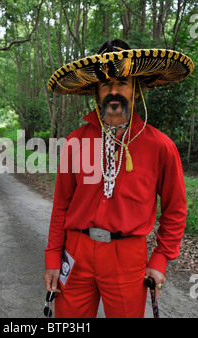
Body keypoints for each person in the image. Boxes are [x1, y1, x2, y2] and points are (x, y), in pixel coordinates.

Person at [43, 39, 194, 318]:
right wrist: (53, 257)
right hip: (76, 251)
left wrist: (160, 258)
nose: (113, 90)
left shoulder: (161, 146)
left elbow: (175, 210)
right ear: (96, 92)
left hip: (127, 256)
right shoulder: (76, 141)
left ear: (136, 90)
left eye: (122, 82)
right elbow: (61, 205)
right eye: (105, 84)